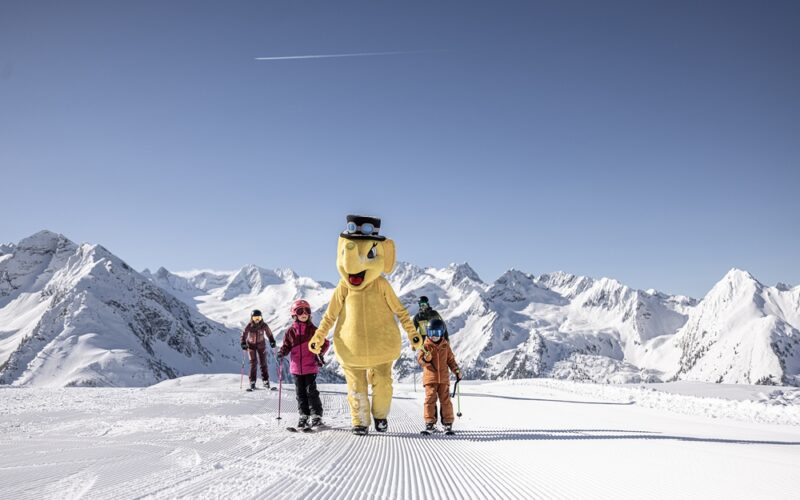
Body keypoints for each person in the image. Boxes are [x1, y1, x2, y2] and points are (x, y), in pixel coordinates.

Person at [309, 215, 422, 435]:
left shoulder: (381, 284)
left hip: (381, 347)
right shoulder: (343, 287)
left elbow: (400, 311)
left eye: (369, 254)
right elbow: (330, 315)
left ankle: (380, 416)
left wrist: (412, 333)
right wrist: (319, 336)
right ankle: (360, 421)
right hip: (352, 349)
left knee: (383, 383)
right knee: (356, 388)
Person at [278, 299, 330, 429]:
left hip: (310, 366)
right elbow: (286, 345)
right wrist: (282, 352)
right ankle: (304, 416)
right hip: (296, 368)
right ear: (294, 314)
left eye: (307, 311)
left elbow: (325, 343)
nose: (304, 313)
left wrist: (320, 352)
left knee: (311, 392)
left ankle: (316, 416)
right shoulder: (291, 331)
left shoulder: (313, 330)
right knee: (300, 394)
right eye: (300, 311)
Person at [417, 318, 461, 434]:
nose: (434, 336)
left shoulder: (445, 346)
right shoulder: (425, 346)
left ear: (442, 332)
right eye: (431, 333)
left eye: (437, 333)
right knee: (430, 399)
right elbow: (420, 361)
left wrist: (456, 371)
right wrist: (426, 359)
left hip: (443, 379)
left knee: (445, 401)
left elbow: (451, 361)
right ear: (427, 332)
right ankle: (430, 423)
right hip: (430, 379)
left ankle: (447, 423)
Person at [240, 309, 276, 390]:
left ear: (261, 318)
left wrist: (272, 341)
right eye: (255, 318)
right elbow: (244, 335)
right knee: (253, 363)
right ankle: (252, 381)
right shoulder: (249, 326)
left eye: (258, 318)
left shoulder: (264, 325)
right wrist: (243, 343)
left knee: (263, 363)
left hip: (261, 346)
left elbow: (269, 334)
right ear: (251, 318)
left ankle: (265, 381)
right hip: (251, 346)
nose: (257, 320)